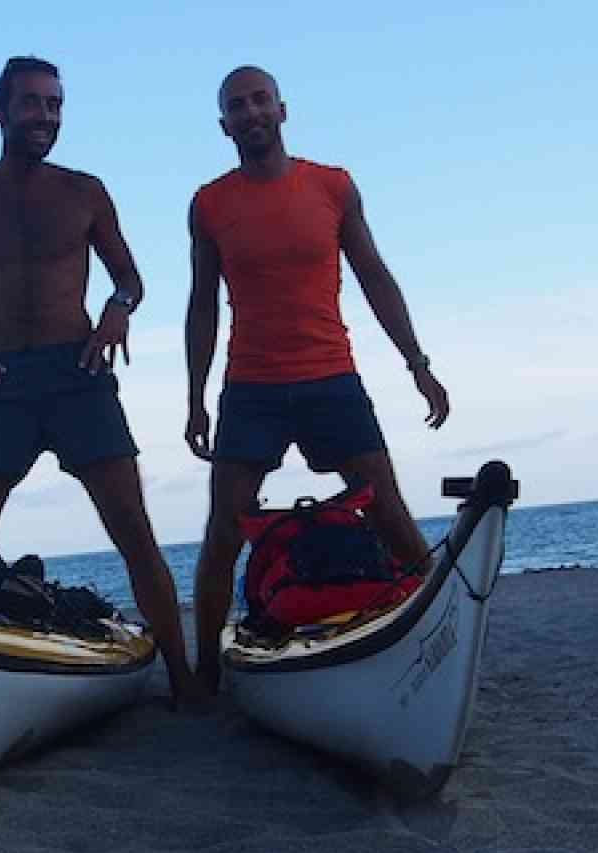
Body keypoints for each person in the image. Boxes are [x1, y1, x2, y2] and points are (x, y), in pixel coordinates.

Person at [0, 55, 199, 706]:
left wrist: (119, 310)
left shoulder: (85, 192)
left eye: (55, 105)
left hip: (77, 371)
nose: (44, 116)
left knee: (134, 532)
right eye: (31, 103)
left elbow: (130, 278)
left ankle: (185, 682)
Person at [184, 65, 450, 693]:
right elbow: (201, 305)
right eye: (236, 107)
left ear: (281, 110)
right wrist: (195, 399)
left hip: (331, 375)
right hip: (251, 386)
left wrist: (419, 364)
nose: (250, 113)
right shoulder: (209, 204)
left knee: (386, 507)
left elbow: (376, 278)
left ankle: (436, 630)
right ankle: (204, 675)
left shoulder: (332, 187)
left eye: (259, 101)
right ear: (224, 125)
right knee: (225, 529)